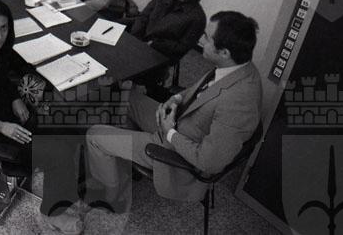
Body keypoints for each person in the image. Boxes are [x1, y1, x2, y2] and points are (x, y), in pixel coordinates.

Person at [86, 11, 262, 209]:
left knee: (94, 135)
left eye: (207, 38)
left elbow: (209, 162)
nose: (200, 39)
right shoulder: (237, 67)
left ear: (224, 53)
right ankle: (123, 157)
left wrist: (170, 133)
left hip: (176, 150)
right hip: (179, 122)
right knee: (126, 96)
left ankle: (112, 197)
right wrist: (176, 98)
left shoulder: (239, 102)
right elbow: (202, 90)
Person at [0, 0, 84, 235]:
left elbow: (4, 77)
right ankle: (52, 212)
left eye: (4, 28)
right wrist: (0, 125)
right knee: (58, 152)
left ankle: (63, 191)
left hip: (8, 114)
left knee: (69, 128)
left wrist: (15, 97)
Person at [130, 0, 206, 63]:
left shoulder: (197, 17)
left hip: (160, 55)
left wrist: (152, 44)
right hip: (140, 41)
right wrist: (135, 39)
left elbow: (181, 48)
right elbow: (143, 16)